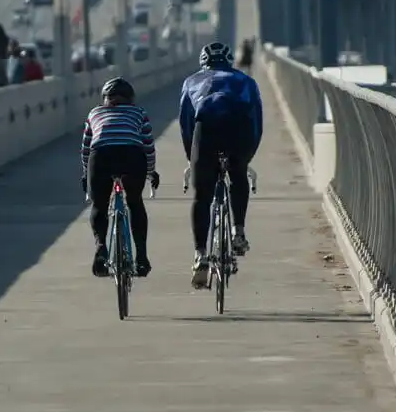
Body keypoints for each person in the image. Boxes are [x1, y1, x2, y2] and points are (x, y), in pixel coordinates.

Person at [179, 41, 263, 289]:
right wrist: (248, 156)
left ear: (203, 61)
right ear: (229, 61)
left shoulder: (192, 82)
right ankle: (238, 232)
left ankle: (200, 254)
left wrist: (191, 158)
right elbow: (256, 120)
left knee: (202, 196)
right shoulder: (246, 81)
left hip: (205, 134)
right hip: (239, 132)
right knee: (237, 177)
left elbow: (186, 125)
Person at [80, 77, 161, 279]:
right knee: (134, 202)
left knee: (99, 205)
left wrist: (86, 173)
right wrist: (150, 171)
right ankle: (141, 256)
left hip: (100, 158)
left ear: (105, 99)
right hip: (132, 156)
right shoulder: (138, 112)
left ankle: (101, 247)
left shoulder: (94, 113)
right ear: (130, 99)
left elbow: (86, 149)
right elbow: (148, 146)